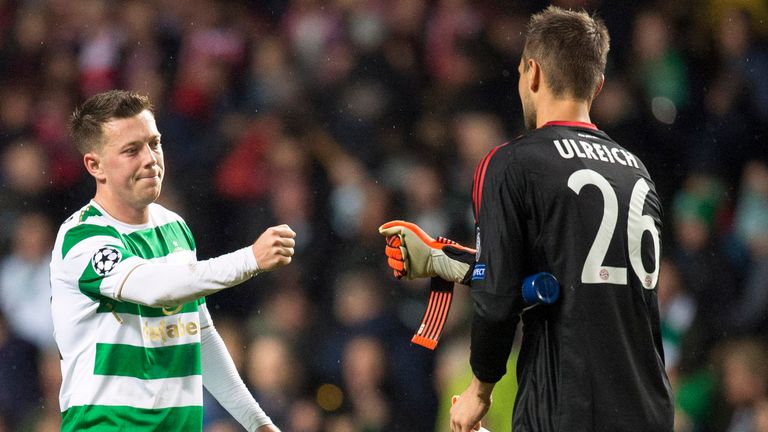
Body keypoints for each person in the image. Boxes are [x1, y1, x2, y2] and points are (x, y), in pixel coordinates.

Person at [380, 6, 673, 431]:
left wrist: (480, 390)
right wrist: (450, 262)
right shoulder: (636, 171)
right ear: (598, 85)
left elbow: (499, 299)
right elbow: (575, 276)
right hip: (648, 407)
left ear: (532, 72)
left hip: (567, 407)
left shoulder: (511, 163)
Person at [49, 90, 295, 431]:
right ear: (95, 165)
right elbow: (154, 288)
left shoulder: (175, 228)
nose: (150, 159)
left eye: (154, 143)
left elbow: (200, 335)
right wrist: (250, 259)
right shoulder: (82, 238)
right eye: (131, 150)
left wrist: (258, 424)